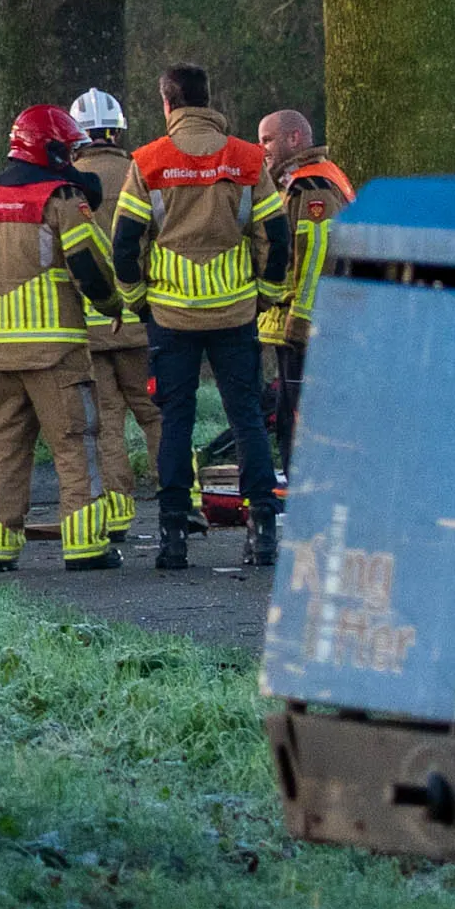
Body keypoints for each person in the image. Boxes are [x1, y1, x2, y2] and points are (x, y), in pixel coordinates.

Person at [111, 64, 290, 569]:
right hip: (236, 311)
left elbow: (125, 243)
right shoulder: (249, 159)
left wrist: (136, 298)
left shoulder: (148, 162)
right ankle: (264, 532)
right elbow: (275, 237)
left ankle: (173, 538)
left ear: (169, 104)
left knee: (175, 421)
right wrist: (268, 294)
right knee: (248, 419)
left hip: (170, 316)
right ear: (209, 100)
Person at [0, 105, 126, 572]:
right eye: (67, 148)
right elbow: (89, 264)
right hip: (55, 353)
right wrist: (113, 307)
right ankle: (86, 547)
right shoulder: (60, 198)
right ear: (51, 148)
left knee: (5, 448)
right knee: (74, 444)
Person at [68, 88, 162, 551]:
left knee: (105, 421)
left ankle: (118, 511)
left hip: (89, 329)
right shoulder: (142, 173)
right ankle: (181, 500)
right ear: (118, 130)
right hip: (143, 320)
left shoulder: (67, 183)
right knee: (157, 411)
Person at [256, 109, 354, 469]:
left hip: (308, 323)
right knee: (289, 407)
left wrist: (301, 318)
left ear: (294, 139)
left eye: (267, 139)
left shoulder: (310, 186)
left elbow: (315, 256)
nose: (261, 148)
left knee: (300, 412)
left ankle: (304, 485)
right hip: (314, 319)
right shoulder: (312, 179)